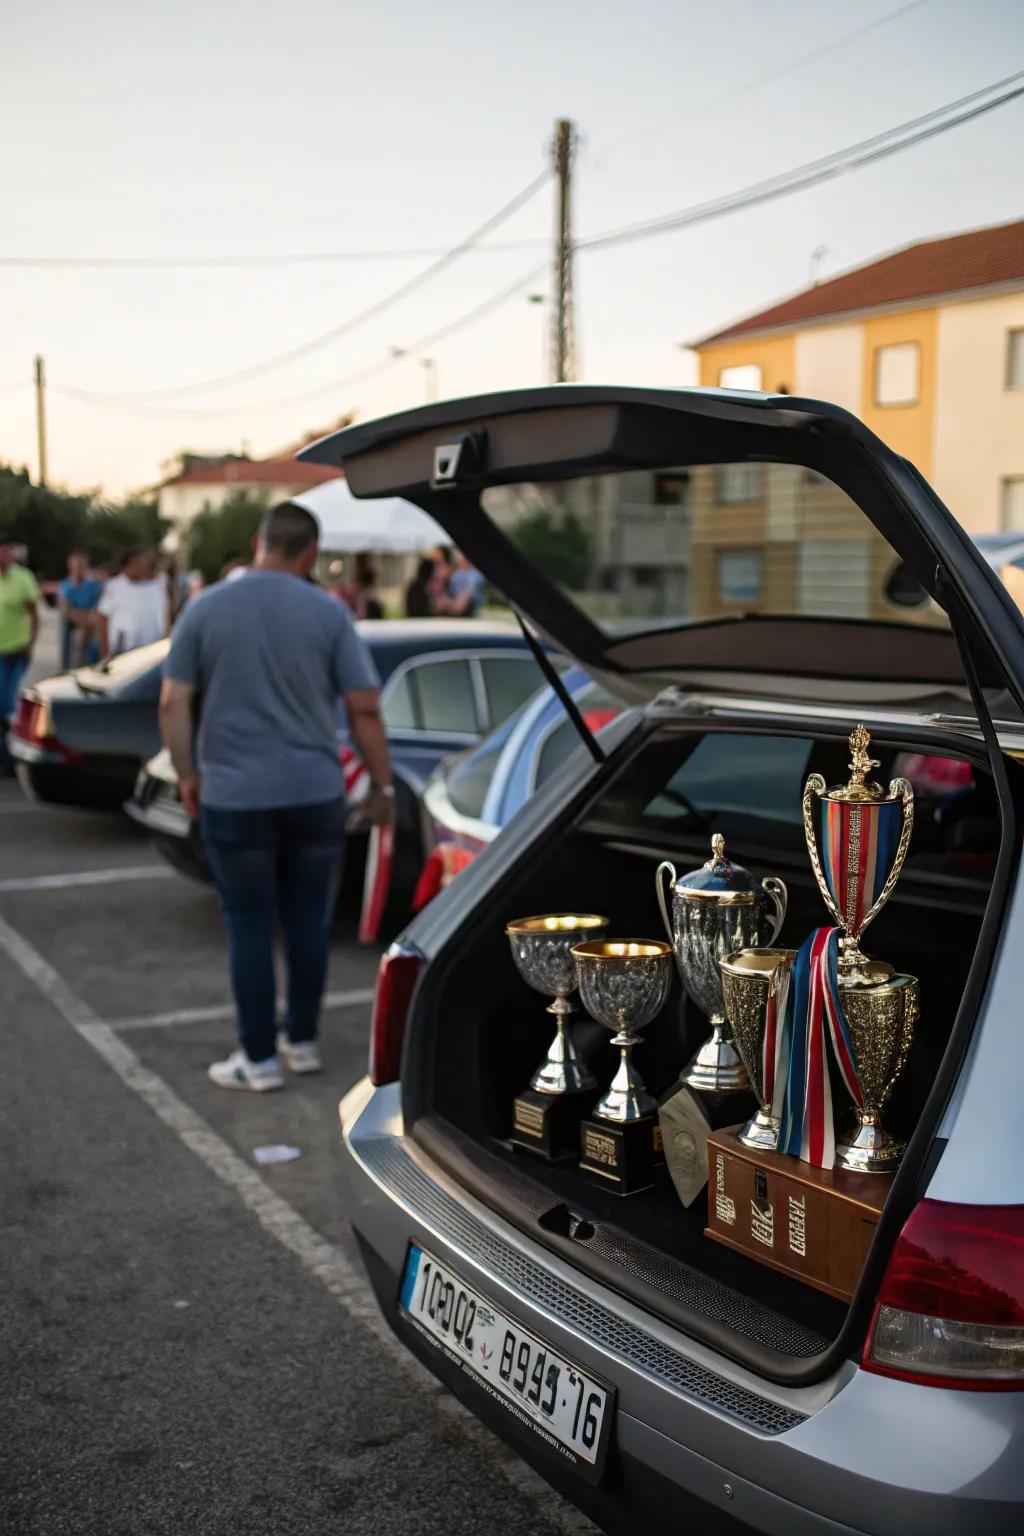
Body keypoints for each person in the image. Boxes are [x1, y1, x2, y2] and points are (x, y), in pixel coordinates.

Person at [159, 501, 395, 1092]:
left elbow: (172, 701)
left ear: (258, 541)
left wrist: (188, 772)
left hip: (235, 795)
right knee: (308, 921)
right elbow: (363, 707)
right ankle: (303, 1041)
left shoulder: (205, 606)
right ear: (310, 552)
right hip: (314, 794)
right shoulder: (330, 613)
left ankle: (258, 1059)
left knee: (248, 923)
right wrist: (384, 786)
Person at [0, 531, 40, 776]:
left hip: (17, 650)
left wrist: (31, 643)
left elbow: (34, 614)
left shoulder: (23, 578)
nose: (5, 554)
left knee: (6, 701)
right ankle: (8, 752)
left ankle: (11, 755)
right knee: (3, 703)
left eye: (7, 550)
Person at [96, 548, 169, 656]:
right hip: (123, 653)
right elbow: (102, 618)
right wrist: (105, 653)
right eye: (137, 564)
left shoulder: (157, 586)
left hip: (153, 652)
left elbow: (165, 613)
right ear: (126, 566)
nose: (142, 567)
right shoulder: (114, 586)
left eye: (143, 563)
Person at [59, 549, 104, 668]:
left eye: (81, 564)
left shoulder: (95, 586)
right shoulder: (66, 585)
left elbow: (98, 608)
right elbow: (66, 609)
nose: (78, 567)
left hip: (91, 629)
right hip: (73, 629)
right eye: (75, 564)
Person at [442, 550, 486, 617]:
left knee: (465, 595)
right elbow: (451, 590)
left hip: (471, 603)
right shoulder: (456, 573)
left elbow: (469, 591)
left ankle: (454, 609)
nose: (457, 557)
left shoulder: (476, 573)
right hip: (455, 600)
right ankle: (452, 608)